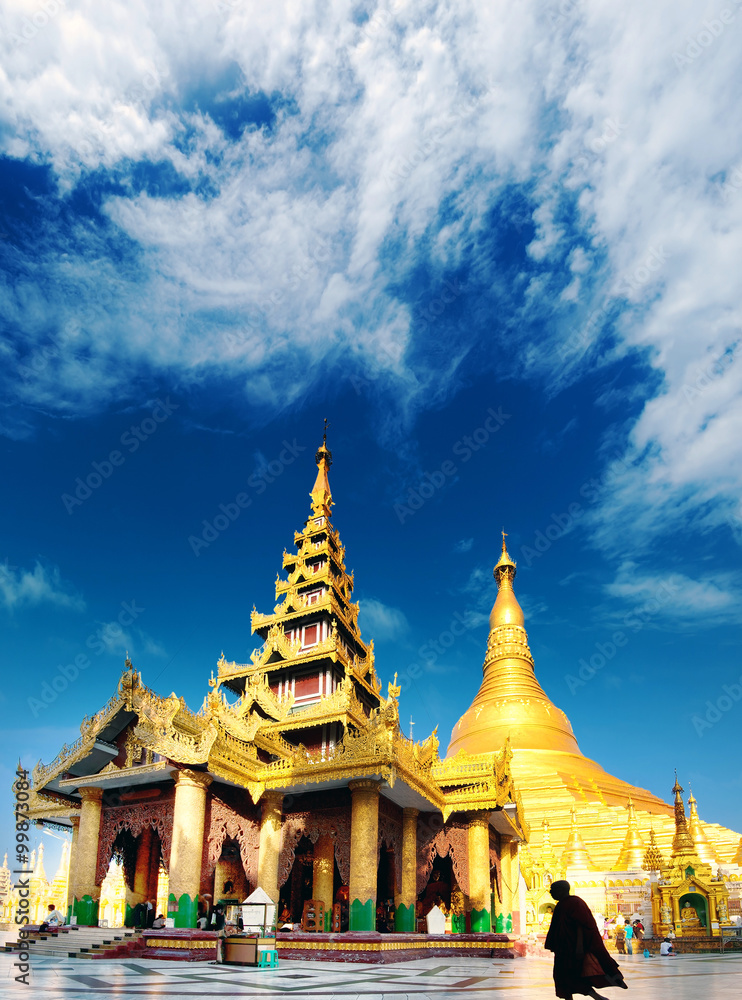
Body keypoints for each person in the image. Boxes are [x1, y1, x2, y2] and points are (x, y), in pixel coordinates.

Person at [544, 881, 628, 1000]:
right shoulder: (560, 905)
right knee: (562, 976)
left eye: (553, 889)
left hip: (574, 947)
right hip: (564, 949)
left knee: (576, 974)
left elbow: (582, 925)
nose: (551, 892)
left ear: (562, 890)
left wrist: (579, 947)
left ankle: (601, 994)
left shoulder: (575, 902)